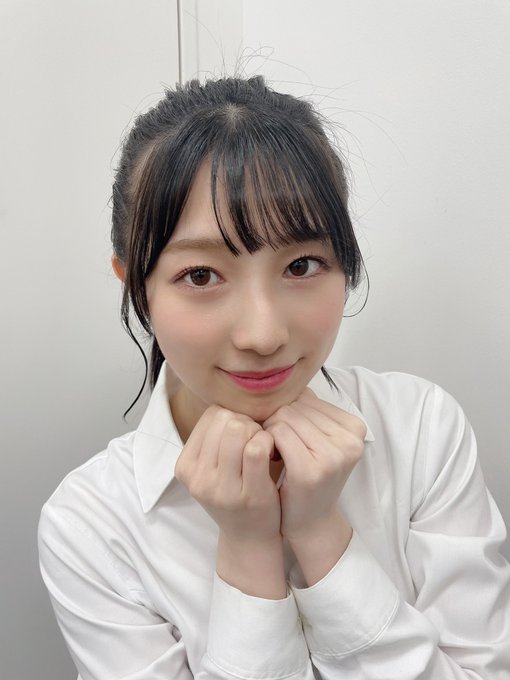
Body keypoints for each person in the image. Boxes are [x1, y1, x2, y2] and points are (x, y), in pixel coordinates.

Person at [38, 76, 510, 680]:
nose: (262, 335)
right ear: (136, 285)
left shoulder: (419, 430)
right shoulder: (90, 523)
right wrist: (248, 550)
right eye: (201, 275)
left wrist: (322, 535)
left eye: (302, 264)